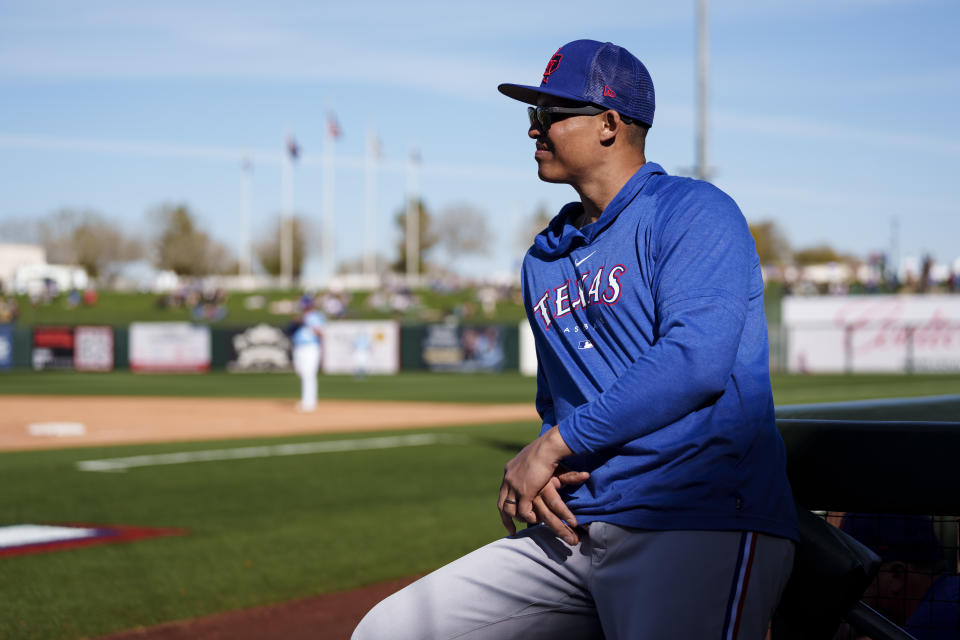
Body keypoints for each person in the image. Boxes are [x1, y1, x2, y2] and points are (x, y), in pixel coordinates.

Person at [353, 39, 797, 640]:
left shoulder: (693, 211)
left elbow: (696, 361)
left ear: (610, 125)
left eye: (551, 116)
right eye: (532, 116)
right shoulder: (543, 256)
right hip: (574, 531)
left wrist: (554, 444)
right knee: (391, 630)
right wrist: (549, 452)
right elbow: (557, 399)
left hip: (695, 516)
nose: (534, 130)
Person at [835, 513, 959, 640]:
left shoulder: (930, 626)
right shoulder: (949, 598)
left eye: (854, 576)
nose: (843, 589)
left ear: (896, 574)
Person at [291, 294, 326, 412]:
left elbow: (321, 332)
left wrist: (310, 324)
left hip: (311, 347)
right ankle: (307, 400)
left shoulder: (316, 316)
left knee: (309, 374)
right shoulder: (299, 316)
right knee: (300, 371)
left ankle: (309, 402)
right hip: (299, 346)